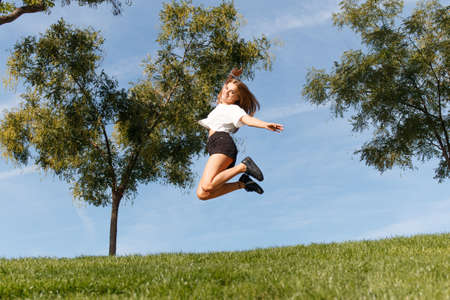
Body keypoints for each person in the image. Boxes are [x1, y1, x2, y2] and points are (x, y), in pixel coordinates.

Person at [196, 68, 284, 201]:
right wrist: (231, 76)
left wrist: (265, 124)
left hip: (222, 143)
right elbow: (225, 88)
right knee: (202, 194)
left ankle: (244, 166)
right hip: (214, 146)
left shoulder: (233, 109)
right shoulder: (221, 103)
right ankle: (243, 183)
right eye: (227, 89)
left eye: (232, 93)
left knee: (207, 185)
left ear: (237, 98)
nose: (227, 93)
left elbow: (247, 119)